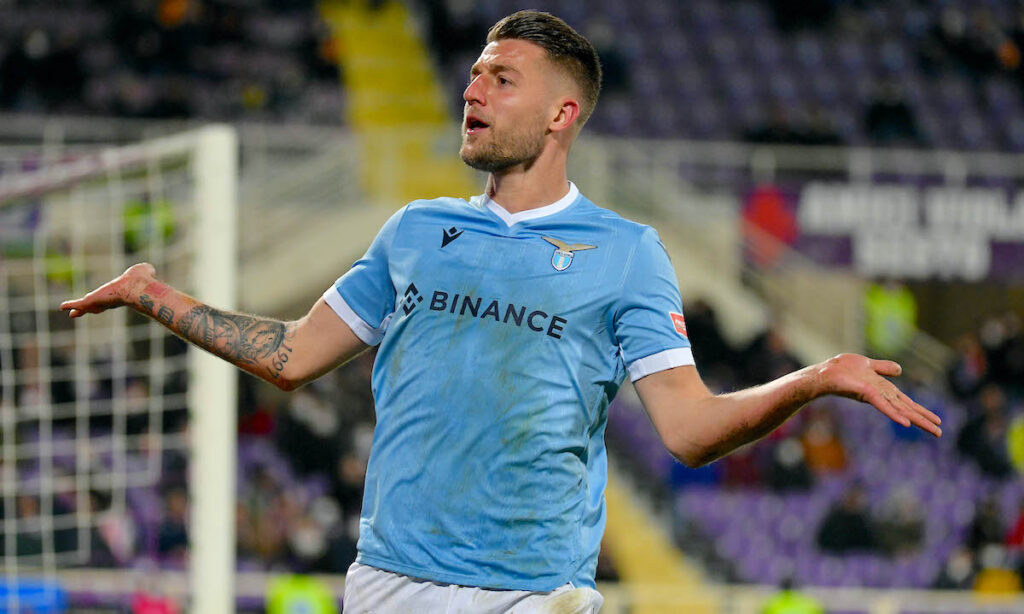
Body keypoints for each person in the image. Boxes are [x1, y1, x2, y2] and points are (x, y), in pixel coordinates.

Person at [60, 10, 943, 613]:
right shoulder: (415, 230)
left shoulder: (626, 252)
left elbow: (687, 430)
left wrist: (815, 378)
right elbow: (290, 356)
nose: (473, 90)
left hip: (530, 592)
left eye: (502, 78)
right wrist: (153, 293)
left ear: (562, 114)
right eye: (475, 72)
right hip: (390, 583)